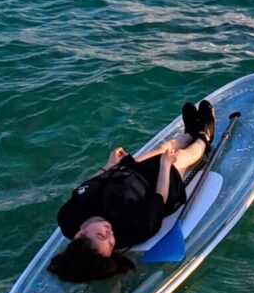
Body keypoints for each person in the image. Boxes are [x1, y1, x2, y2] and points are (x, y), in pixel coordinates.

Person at [47, 100, 215, 283]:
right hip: (157, 186)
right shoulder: (133, 226)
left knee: (162, 148)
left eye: (101, 235)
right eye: (111, 243)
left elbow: (88, 186)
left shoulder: (68, 218)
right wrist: (165, 165)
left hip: (123, 178)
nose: (110, 234)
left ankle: (188, 135)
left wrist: (108, 166)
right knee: (181, 158)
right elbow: (160, 197)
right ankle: (203, 137)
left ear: (79, 234)